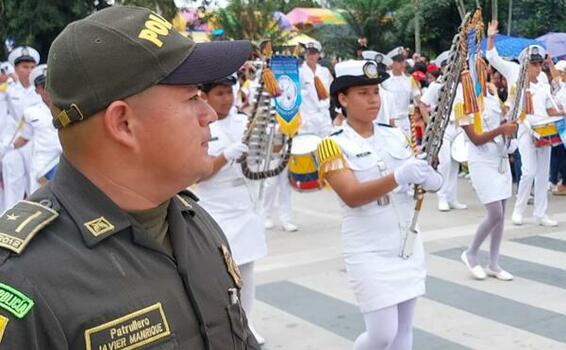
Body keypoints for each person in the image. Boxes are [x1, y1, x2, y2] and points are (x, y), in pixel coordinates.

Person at [0, 6, 260, 349]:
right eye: (192, 97)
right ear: (123, 123)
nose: (209, 113)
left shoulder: (193, 222)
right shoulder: (25, 279)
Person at [317, 59, 442, 350]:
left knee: (403, 331)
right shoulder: (331, 144)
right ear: (343, 99)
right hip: (369, 249)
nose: (373, 99)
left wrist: (430, 177)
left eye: (375, 91)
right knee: (381, 334)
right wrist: (400, 175)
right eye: (363, 93)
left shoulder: (394, 135)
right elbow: (352, 195)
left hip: (406, 243)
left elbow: (418, 182)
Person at [195, 74, 267, 344]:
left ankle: (248, 322)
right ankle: (227, 326)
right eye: (220, 93)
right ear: (205, 97)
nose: (227, 98)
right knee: (223, 273)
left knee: (247, 269)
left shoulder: (244, 121)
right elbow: (199, 174)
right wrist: (225, 155)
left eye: (229, 92)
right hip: (217, 205)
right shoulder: (200, 125)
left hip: (244, 201)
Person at [487, 22, 562, 227]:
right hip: (525, 128)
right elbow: (493, 58)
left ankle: (541, 213)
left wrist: (561, 114)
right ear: (526, 64)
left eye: (540, 65)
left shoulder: (544, 83)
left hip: (544, 129)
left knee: (543, 172)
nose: (538, 68)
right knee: (528, 171)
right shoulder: (514, 73)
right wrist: (491, 37)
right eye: (535, 65)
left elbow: (549, 108)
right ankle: (519, 210)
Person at [459, 77, 518, 281]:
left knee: (501, 214)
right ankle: (471, 253)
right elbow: (475, 139)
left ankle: (493, 263)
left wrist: (508, 128)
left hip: (499, 157)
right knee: (494, 213)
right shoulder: (462, 103)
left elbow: (502, 122)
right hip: (481, 161)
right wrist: (501, 129)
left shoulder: (493, 98)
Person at [419, 53, 468, 211]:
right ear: (443, 68)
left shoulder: (461, 86)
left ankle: (452, 198)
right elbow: (422, 104)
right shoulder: (437, 86)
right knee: (445, 163)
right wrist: (429, 124)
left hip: (459, 126)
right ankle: (442, 196)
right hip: (443, 128)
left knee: (455, 164)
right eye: (448, 67)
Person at [1, 46, 42, 211]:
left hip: (36, 144)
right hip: (13, 145)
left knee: (36, 189)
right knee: (13, 189)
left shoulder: (40, 90)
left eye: (32, 67)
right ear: (16, 69)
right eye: (24, 67)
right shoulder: (8, 91)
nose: (29, 71)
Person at [21, 64, 62, 193]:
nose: (48, 90)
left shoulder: (70, 108)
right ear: (37, 90)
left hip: (66, 164)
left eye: (52, 84)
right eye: (44, 86)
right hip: (42, 168)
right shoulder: (30, 112)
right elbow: (24, 137)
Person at [381, 46, 421, 139]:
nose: (402, 64)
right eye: (399, 61)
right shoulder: (385, 80)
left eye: (403, 61)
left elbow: (418, 98)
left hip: (405, 120)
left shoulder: (409, 79)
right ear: (391, 63)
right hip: (389, 119)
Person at [299, 41, 334, 137]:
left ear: (318, 55)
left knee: (326, 146)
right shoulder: (299, 72)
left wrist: (328, 102)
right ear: (305, 54)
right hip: (307, 117)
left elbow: (333, 88)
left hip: (324, 116)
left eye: (314, 53)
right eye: (308, 53)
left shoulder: (325, 71)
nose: (311, 56)